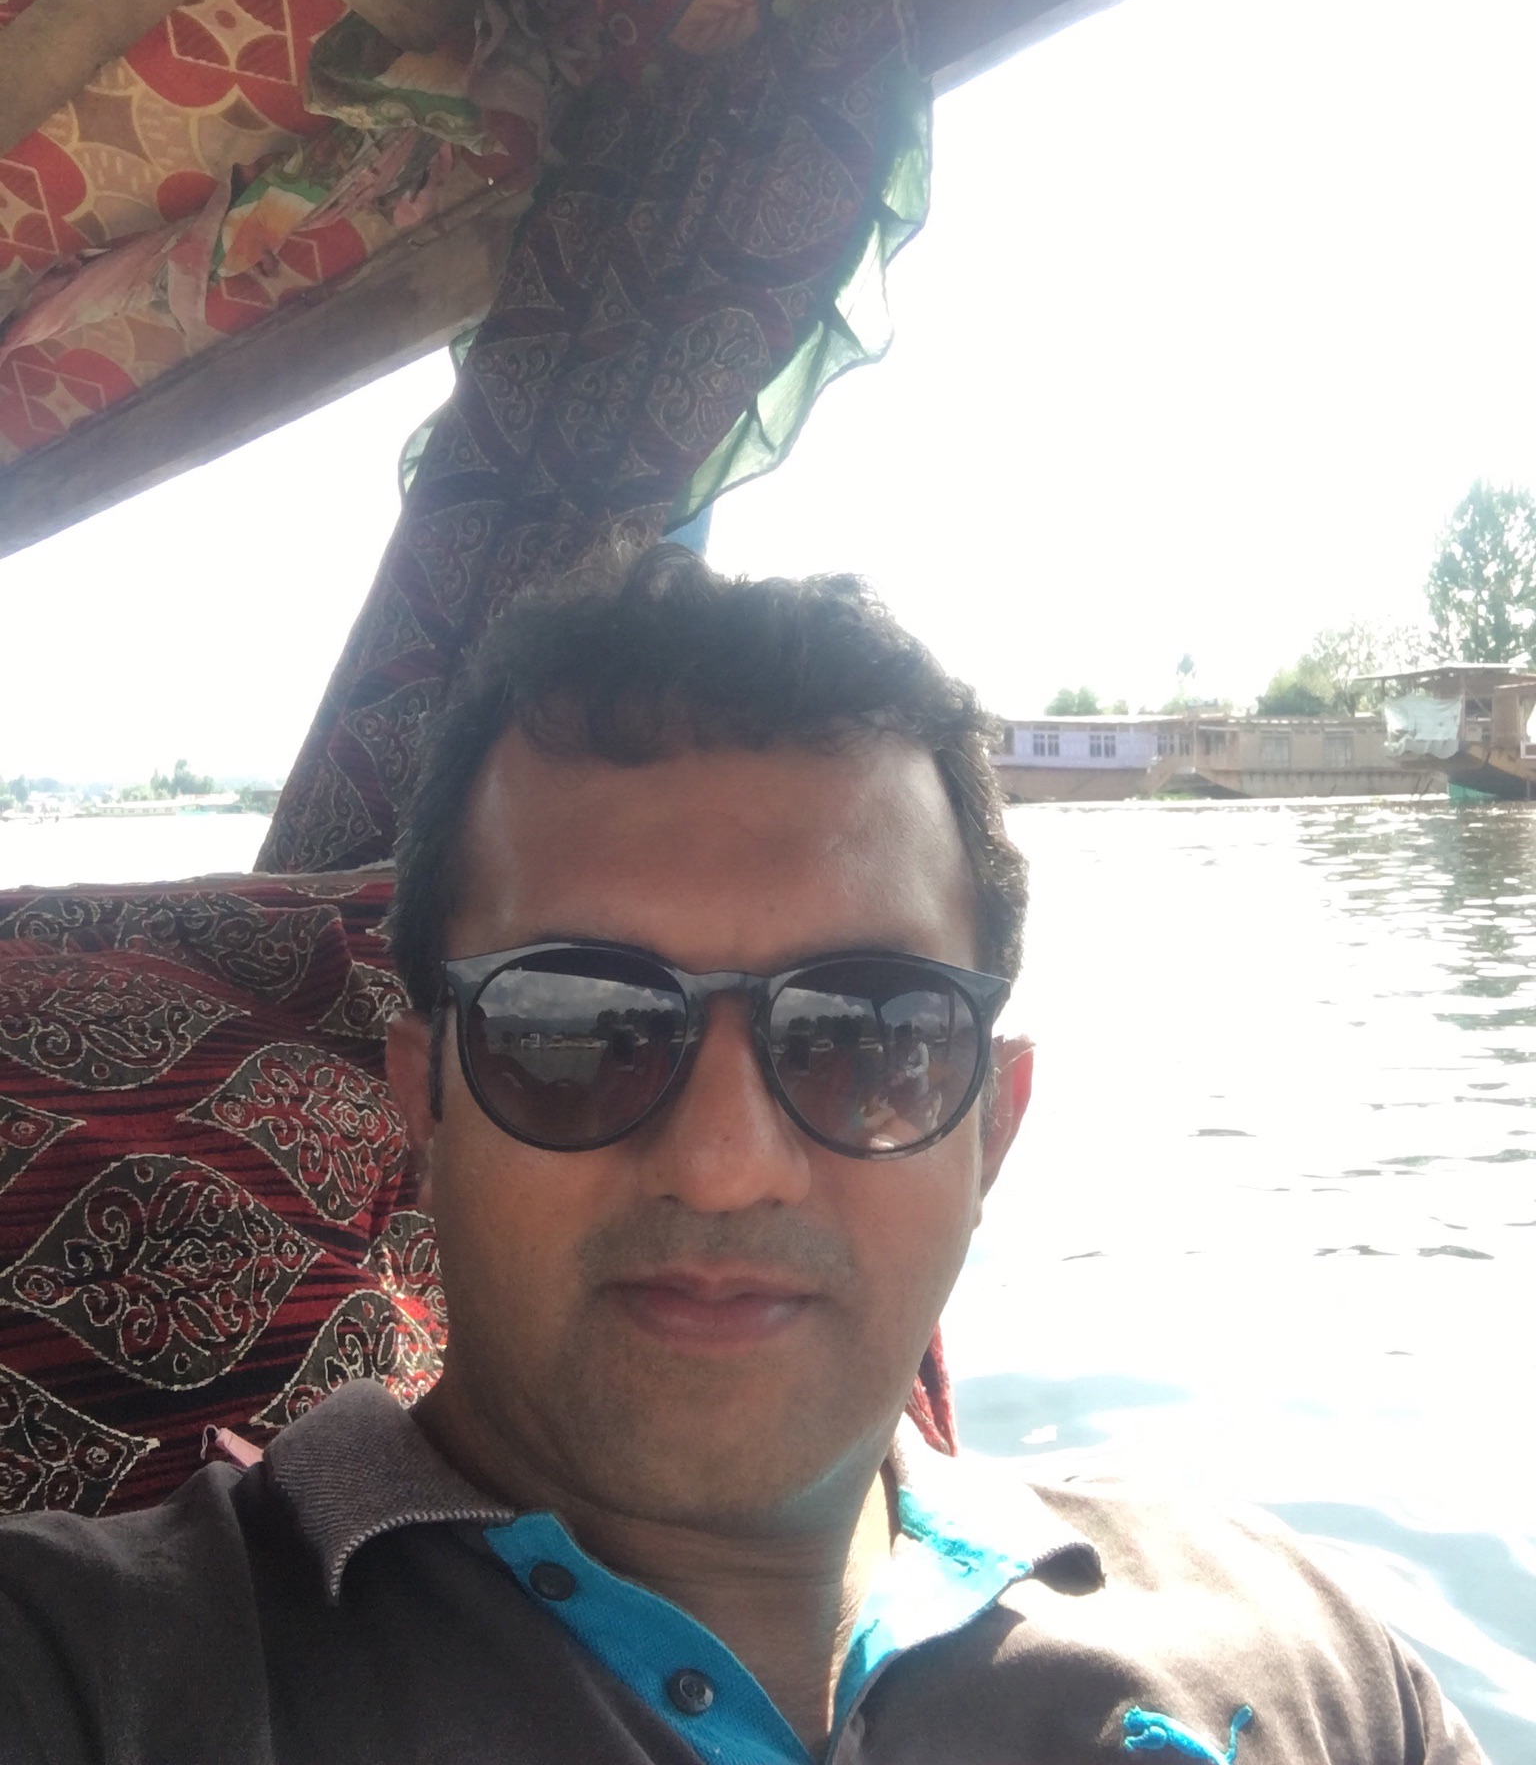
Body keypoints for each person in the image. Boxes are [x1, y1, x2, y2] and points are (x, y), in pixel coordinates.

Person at [0, 548, 1485, 1764]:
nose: (722, 1165)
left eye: (867, 1034)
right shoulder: (103, 1672)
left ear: (994, 1128)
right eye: (575, 1026)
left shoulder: (1314, 1662)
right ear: (426, 1106)